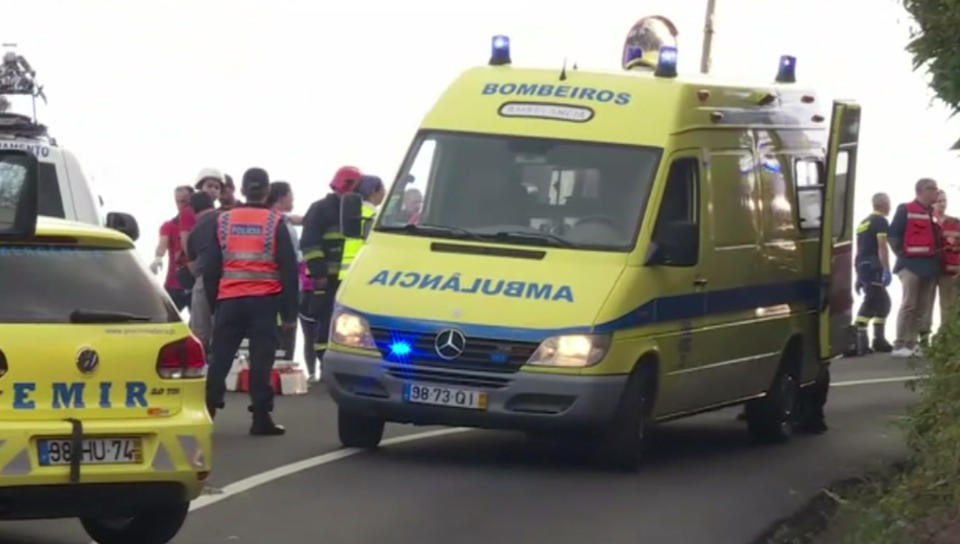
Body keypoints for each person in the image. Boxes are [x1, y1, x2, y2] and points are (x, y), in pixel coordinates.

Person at [203, 167, 299, 435]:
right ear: (267, 191)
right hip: (264, 301)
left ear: (243, 191)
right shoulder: (275, 222)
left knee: (220, 358)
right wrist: (290, 314)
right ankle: (260, 418)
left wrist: (215, 305)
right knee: (261, 361)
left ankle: (207, 412)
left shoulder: (223, 221)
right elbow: (289, 270)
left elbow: (211, 269)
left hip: (230, 301)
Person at [300, 166, 362, 376]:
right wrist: (319, 273)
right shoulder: (320, 209)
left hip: (349, 280)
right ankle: (324, 366)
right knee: (325, 322)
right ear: (348, 185)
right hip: (327, 280)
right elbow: (309, 243)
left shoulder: (355, 209)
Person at [888, 178, 941, 357]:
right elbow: (893, 235)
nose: (936, 191)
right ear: (921, 191)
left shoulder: (931, 213)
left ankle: (914, 343)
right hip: (910, 265)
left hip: (929, 266)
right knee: (909, 304)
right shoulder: (906, 209)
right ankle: (900, 344)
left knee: (924, 306)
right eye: (932, 188)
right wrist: (903, 255)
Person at [850, 192, 893, 355]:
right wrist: (886, 269)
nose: (890, 207)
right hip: (874, 267)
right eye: (889, 203)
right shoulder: (880, 221)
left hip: (863, 266)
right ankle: (860, 341)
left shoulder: (864, 222)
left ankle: (878, 340)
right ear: (883, 204)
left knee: (883, 303)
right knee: (871, 303)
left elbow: (859, 250)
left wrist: (858, 275)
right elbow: (882, 246)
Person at [267, 181, 302, 368]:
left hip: (279, 284)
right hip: (281, 285)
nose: (293, 198)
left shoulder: (281, 220)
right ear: (281, 197)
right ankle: (281, 367)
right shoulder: (279, 224)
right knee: (284, 328)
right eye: (291, 194)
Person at [185, 191, 219, 355]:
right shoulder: (226, 218)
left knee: (200, 336)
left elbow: (193, 268)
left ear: (193, 209)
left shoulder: (193, 233)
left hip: (205, 281)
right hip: (232, 279)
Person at [150, 185, 193, 311]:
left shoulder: (200, 223)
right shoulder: (169, 226)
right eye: (178, 201)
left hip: (194, 282)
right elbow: (162, 243)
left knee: (199, 325)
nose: (181, 205)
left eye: (185, 201)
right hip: (174, 284)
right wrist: (158, 257)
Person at [339, 175, 385, 281]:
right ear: (374, 191)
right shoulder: (372, 216)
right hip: (363, 271)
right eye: (383, 189)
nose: (384, 193)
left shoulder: (354, 211)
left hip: (348, 272)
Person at [928, 190, 960, 326]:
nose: (942, 204)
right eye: (938, 201)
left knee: (948, 305)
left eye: (944, 200)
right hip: (928, 268)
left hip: (949, 269)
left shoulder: (955, 222)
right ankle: (923, 340)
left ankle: (945, 339)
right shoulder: (926, 221)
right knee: (925, 305)